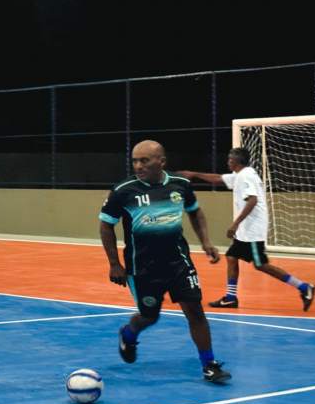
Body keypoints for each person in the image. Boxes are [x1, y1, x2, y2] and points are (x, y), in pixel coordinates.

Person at [99, 140, 231, 383]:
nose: (138, 166)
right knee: (149, 316)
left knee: (195, 311)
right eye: (135, 161)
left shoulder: (180, 185)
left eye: (144, 161)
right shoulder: (123, 191)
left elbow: (195, 211)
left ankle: (209, 364)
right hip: (143, 268)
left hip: (179, 262)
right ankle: (128, 334)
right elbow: (106, 225)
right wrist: (114, 263)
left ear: (161, 161)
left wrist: (206, 242)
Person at [178, 147, 315, 311]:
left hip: (252, 231)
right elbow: (218, 178)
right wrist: (193, 174)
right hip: (246, 231)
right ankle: (230, 297)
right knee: (231, 256)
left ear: (237, 161)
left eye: (230, 159)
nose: (227, 161)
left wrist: (235, 223)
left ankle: (303, 287)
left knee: (260, 265)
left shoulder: (246, 176)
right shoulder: (241, 175)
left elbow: (252, 200)